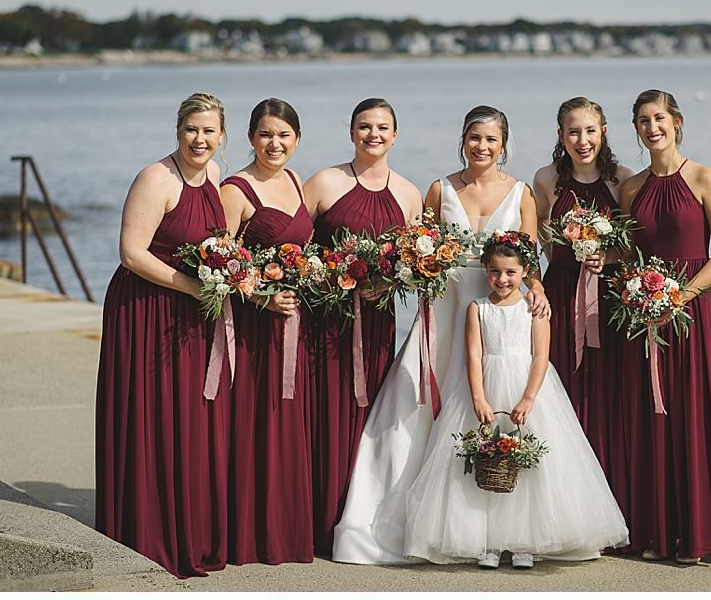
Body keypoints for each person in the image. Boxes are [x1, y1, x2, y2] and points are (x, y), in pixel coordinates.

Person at [333, 105, 550, 564]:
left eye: (491, 139)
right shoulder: (440, 189)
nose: (482, 147)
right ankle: (410, 522)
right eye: (474, 138)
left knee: (498, 398)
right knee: (420, 408)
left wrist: (539, 292)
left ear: (504, 144)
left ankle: (504, 527)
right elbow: (417, 249)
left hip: (497, 313)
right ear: (463, 140)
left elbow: (529, 263)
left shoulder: (522, 193)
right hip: (444, 310)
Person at [402, 231, 628, 567]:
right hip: (487, 386)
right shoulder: (476, 308)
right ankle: (489, 541)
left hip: (527, 387)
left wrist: (528, 398)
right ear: (485, 269)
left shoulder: (534, 309)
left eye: (510, 272)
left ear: (525, 271)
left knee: (528, 464)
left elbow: (540, 357)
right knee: (485, 462)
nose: (502, 279)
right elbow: (474, 355)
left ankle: (525, 542)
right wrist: (477, 398)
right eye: (495, 271)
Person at [618, 89, 711, 564]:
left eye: (659, 118)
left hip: (697, 313)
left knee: (696, 414)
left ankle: (699, 536)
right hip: (646, 316)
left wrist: (680, 296)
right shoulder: (631, 188)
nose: (651, 127)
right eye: (642, 120)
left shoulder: (704, 177)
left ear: (677, 122)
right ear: (635, 129)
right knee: (654, 419)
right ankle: (659, 531)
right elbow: (629, 253)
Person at [95, 92, 231, 578]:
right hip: (146, 309)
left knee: (188, 417)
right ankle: (145, 531)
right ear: (178, 130)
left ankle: (187, 527)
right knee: (152, 414)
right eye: (192, 129)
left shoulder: (215, 176)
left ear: (222, 136)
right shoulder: (157, 178)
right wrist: (193, 286)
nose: (200, 139)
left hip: (191, 312)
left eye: (209, 130)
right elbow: (131, 253)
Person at [300, 98, 424, 555]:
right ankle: (313, 518)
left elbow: (417, 261)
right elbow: (295, 248)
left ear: (395, 135)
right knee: (320, 414)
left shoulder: (409, 194)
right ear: (351, 131)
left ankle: (356, 518)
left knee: (369, 417)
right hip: (323, 324)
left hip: (375, 325)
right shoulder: (324, 182)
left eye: (382, 127)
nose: (373, 134)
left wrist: (390, 281)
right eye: (364, 126)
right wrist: (329, 275)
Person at [219, 98, 314, 565]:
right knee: (255, 422)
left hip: (296, 324)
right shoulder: (235, 189)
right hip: (255, 328)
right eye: (265, 134)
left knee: (286, 420)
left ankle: (286, 528)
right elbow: (217, 267)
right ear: (250, 137)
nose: (274, 144)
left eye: (284, 135)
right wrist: (262, 297)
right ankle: (251, 534)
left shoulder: (296, 181)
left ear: (296, 139)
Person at [532, 96, 634, 508]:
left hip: (608, 302)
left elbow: (633, 247)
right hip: (559, 294)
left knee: (609, 396)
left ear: (603, 132)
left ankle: (613, 500)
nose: (582, 139)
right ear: (560, 136)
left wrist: (607, 255)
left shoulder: (624, 180)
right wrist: (536, 286)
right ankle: (564, 504)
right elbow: (531, 243)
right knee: (562, 394)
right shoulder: (545, 179)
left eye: (590, 130)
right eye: (573, 131)